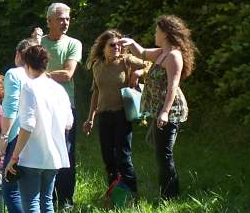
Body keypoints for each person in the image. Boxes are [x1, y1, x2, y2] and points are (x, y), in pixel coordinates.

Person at [5, 45, 73, 213]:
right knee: (46, 205)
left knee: (32, 205)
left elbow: (27, 125)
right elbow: (69, 123)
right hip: (54, 156)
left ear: (26, 65)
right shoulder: (58, 89)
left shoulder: (29, 87)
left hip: (32, 156)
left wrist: (14, 156)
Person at [118, 15, 196, 199]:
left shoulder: (174, 56)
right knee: (161, 153)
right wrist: (130, 43)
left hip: (170, 111)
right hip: (160, 110)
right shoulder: (162, 52)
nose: (155, 34)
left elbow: (172, 87)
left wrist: (165, 112)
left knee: (164, 155)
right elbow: (142, 53)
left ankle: (170, 196)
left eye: (157, 31)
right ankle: (167, 193)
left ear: (166, 34)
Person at [83, 30, 145, 198]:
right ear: (103, 47)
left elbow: (150, 64)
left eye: (119, 45)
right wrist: (90, 119)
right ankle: (116, 195)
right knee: (108, 158)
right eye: (112, 45)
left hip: (122, 115)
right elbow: (96, 92)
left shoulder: (126, 60)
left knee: (123, 157)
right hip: (104, 115)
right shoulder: (97, 66)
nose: (117, 47)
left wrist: (138, 73)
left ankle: (133, 195)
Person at [0, 37, 41, 213]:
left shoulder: (14, 74)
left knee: (10, 190)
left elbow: (10, 107)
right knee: (34, 195)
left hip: (17, 137)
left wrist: (4, 137)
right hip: (36, 139)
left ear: (18, 55)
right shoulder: (41, 77)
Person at [41, 3, 82, 212]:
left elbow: (67, 74)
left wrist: (41, 75)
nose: (65, 22)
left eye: (67, 18)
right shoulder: (39, 43)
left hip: (65, 106)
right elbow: (23, 67)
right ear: (49, 21)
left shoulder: (73, 43)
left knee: (66, 151)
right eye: (60, 19)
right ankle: (46, 198)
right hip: (41, 105)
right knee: (43, 150)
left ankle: (65, 200)